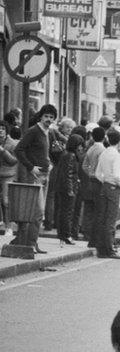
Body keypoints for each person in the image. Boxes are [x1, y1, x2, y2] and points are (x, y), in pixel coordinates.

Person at [14, 104, 59, 253]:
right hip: (34, 176)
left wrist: (50, 163)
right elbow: (18, 149)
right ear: (41, 116)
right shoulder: (33, 131)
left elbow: (50, 152)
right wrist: (30, 167)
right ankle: (29, 243)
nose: (48, 119)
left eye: (51, 117)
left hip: (46, 175)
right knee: (37, 211)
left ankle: (33, 242)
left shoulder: (49, 133)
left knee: (40, 212)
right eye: (46, 116)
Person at [93, 129, 120, 258]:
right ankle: (110, 249)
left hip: (104, 186)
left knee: (103, 218)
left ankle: (102, 249)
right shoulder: (116, 154)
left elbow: (97, 173)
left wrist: (105, 180)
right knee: (111, 219)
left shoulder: (104, 153)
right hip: (113, 187)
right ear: (119, 141)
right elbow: (117, 175)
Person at [53, 134, 84, 244]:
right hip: (68, 188)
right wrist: (71, 189)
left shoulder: (66, 154)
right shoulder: (71, 156)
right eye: (80, 145)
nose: (81, 148)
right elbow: (69, 174)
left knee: (63, 211)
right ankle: (66, 235)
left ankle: (62, 234)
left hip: (63, 187)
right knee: (68, 213)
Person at [0, 122, 18, 235]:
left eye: (2, 129)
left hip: (8, 174)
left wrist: (2, 150)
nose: (0, 131)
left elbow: (13, 161)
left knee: (6, 201)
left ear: (6, 131)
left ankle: (9, 227)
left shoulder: (12, 143)